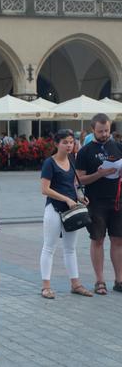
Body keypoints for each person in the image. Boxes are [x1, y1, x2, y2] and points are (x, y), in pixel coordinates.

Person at [39, 129, 93, 300]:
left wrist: (79, 197)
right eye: (65, 142)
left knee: (70, 249)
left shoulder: (72, 159)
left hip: (71, 211)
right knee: (49, 247)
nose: (69, 145)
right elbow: (45, 189)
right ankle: (46, 287)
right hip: (54, 209)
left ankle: (76, 284)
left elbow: (73, 185)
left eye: (71, 142)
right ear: (57, 144)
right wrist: (66, 199)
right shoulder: (50, 163)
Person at [75, 114, 122, 294]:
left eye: (107, 130)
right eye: (100, 131)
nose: (104, 134)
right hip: (96, 202)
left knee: (118, 240)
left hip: (117, 200)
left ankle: (119, 280)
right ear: (93, 129)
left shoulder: (118, 147)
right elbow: (80, 180)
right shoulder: (86, 151)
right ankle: (99, 280)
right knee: (98, 240)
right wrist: (100, 174)